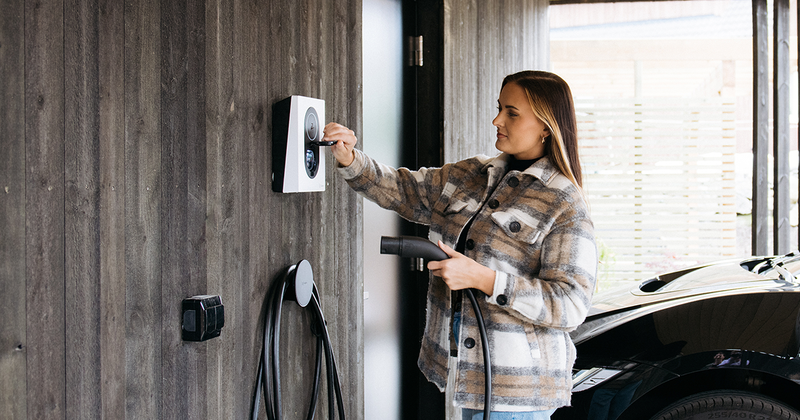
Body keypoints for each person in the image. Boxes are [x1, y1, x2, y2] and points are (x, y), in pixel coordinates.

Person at [323, 70, 597, 420]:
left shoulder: (564, 203)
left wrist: (484, 278)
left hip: (515, 394)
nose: (497, 120)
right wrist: (350, 158)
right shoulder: (472, 176)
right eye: (499, 108)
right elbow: (405, 189)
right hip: (461, 373)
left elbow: (570, 304)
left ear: (546, 127)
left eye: (512, 113)